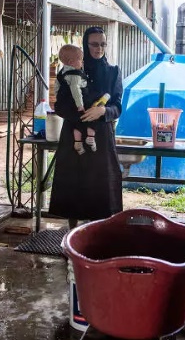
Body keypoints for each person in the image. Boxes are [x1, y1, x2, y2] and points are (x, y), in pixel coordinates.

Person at [50, 26, 123, 229]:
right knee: (73, 185)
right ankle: (73, 235)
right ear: (85, 44)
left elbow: (117, 106)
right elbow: (60, 105)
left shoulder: (113, 72)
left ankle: (98, 235)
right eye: (94, 44)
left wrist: (102, 112)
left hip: (101, 138)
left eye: (103, 44)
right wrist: (81, 115)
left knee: (101, 189)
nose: (99, 48)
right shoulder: (72, 69)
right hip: (74, 135)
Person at [56, 44, 97, 155]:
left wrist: (59, 100)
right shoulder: (74, 75)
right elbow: (76, 91)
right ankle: (90, 138)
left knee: (76, 124)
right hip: (77, 104)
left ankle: (78, 143)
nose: (82, 63)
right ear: (71, 62)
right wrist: (80, 105)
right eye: (80, 60)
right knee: (90, 118)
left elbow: (57, 88)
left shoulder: (62, 73)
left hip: (66, 106)